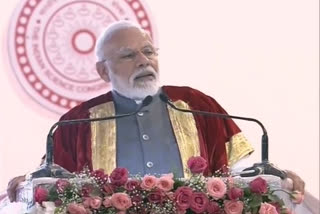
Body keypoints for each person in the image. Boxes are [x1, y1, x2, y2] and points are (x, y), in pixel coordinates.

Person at [6, 20, 305, 202]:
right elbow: (53, 179)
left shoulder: (197, 106)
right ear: (102, 71)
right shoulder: (76, 123)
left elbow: (238, 169)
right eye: (128, 55)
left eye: (148, 51)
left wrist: (271, 176)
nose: (143, 61)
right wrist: (30, 183)